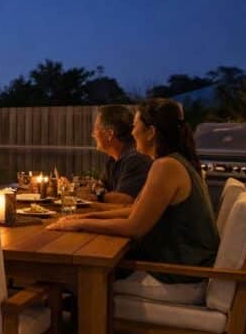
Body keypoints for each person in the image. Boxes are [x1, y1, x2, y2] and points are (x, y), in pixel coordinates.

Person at [48, 98, 218, 283]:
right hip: (186, 264)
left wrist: (79, 225)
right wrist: (83, 218)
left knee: (82, 274)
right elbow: (134, 210)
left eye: (135, 126)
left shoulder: (167, 166)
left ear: (151, 132)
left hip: (182, 272)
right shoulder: (172, 161)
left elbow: (134, 227)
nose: (131, 132)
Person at [89, 104, 152, 204]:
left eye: (96, 129)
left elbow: (125, 200)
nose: (93, 134)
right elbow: (100, 186)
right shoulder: (113, 159)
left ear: (110, 134)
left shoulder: (135, 159)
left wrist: (92, 196)